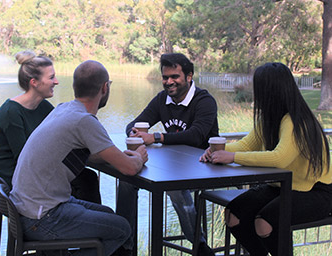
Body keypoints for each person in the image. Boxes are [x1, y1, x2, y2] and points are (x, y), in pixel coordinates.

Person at [9, 60, 147, 256]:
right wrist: (139, 157)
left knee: (108, 215)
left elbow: (86, 154)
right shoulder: (84, 120)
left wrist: (114, 157)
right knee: (122, 229)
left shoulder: (63, 109)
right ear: (104, 87)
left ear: (75, 87)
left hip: (24, 210)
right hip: (41, 218)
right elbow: (130, 169)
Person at [200, 62, 332, 256]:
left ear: (271, 91)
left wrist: (232, 157)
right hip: (283, 187)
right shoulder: (270, 118)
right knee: (234, 215)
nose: (255, 93)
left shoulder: (296, 121)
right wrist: (216, 151)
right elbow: (246, 145)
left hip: (317, 191)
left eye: (259, 88)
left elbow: (280, 158)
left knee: (265, 222)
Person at [117, 53, 219, 255]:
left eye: (175, 77)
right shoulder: (162, 100)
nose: (169, 82)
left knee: (174, 188)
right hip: (171, 167)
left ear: (189, 76)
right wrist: (135, 133)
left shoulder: (204, 101)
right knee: (127, 180)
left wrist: (155, 137)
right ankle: (124, 244)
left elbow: (196, 135)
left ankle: (199, 246)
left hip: (202, 167)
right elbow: (134, 124)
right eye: (165, 77)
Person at [0, 51, 101, 204]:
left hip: (34, 174)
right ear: (34, 82)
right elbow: (24, 159)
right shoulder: (11, 113)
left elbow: (63, 133)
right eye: (51, 77)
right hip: (17, 182)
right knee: (81, 182)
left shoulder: (43, 106)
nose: (56, 82)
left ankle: (89, 223)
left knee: (87, 177)